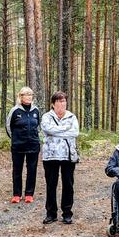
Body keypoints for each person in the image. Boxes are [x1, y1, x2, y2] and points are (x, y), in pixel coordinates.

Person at [40, 91, 79, 225]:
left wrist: (56, 131)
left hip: (68, 155)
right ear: (53, 104)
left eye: (63, 101)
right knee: (51, 184)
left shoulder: (72, 116)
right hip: (50, 156)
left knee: (68, 184)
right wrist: (65, 129)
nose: (62, 104)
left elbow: (75, 132)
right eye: (59, 101)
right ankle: (51, 213)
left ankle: (67, 213)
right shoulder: (46, 116)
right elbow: (47, 130)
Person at [5, 86, 41, 204]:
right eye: (27, 94)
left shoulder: (36, 110)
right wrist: (15, 138)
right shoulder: (15, 110)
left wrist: (34, 137)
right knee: (17, 170)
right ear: (21, 97)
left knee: (32, 170)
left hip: (33, 145)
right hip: (18, 146)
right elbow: (8, 127)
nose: (29, 97)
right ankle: (17, 194)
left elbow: (38, 126)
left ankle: (29, 194)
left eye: (31, 95)